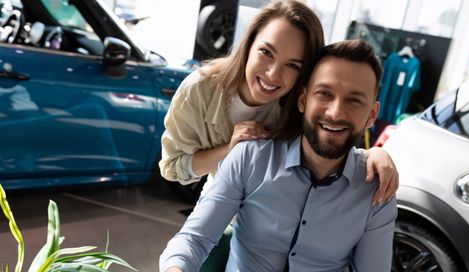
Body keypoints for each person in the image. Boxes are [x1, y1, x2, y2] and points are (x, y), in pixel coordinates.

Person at [152, 39, 397, 272]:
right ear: (303, 99)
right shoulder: (249, 158)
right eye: (324, 94)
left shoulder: (377, 187)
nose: (336, 112)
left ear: (371, 115)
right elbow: (196, 236)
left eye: (354, 101)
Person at [159, 0, 398, 204]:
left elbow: (327, 141)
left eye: (292, 65)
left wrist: (372, 156)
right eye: (266, 53)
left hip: (273, 218)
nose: (273, 74)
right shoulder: (199, 90)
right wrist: (229, 149)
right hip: (220, 208)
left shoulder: (298, 102)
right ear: (249, 43)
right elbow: (173, 167)